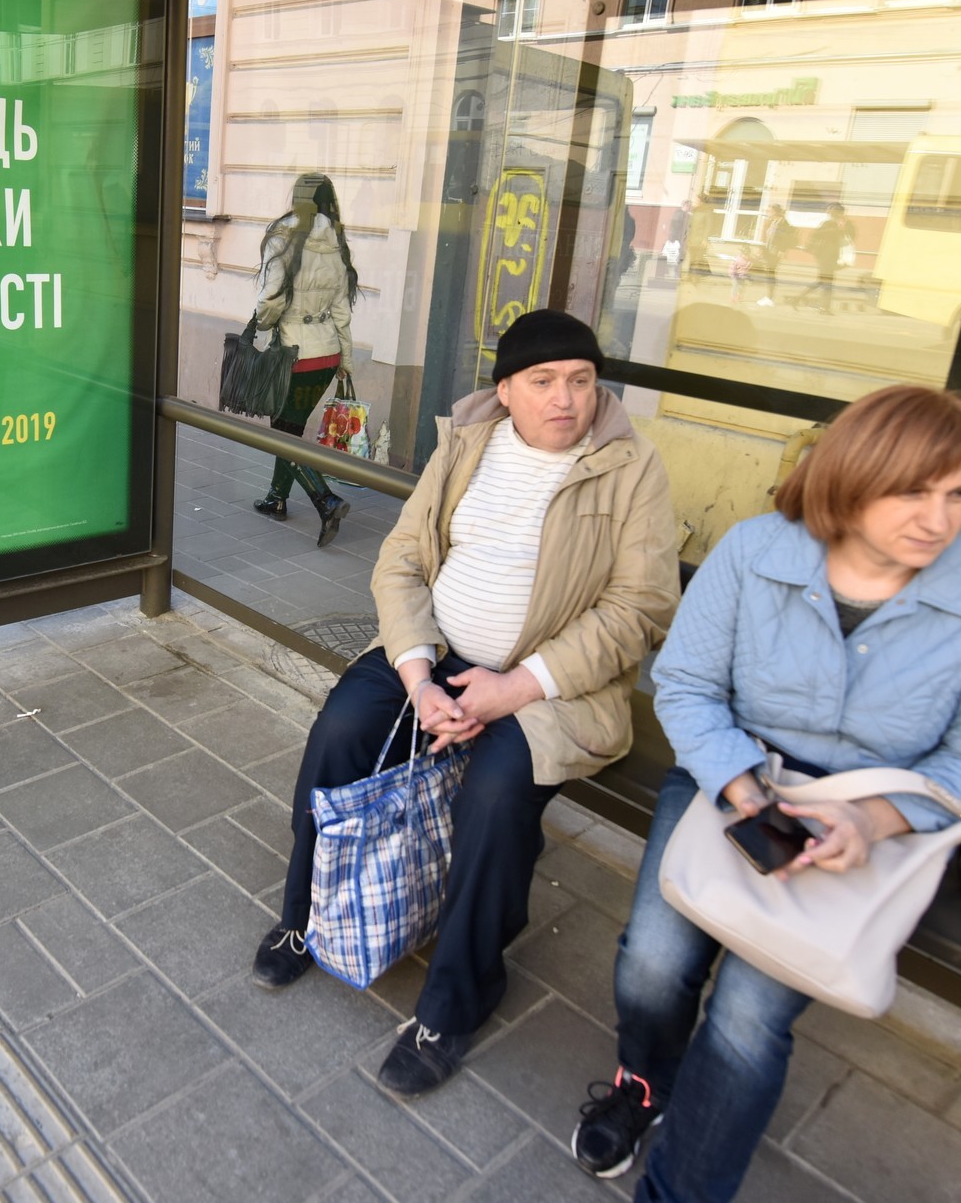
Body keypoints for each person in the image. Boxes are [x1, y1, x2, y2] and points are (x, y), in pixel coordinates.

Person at [570, 385, 961, 1199]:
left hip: (866, 821)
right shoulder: (758, 550)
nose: (937, 518)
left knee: (748, 1017)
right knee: (652, 964)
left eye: (959, 494)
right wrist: (743, 787)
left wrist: (875, 818)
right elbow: (685, 684)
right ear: (852, 476)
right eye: (912, 490)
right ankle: (645, 1086)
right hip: (729, 770)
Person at [252, 309, 680, 1097]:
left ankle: (455, 1001)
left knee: (494, 796)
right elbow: (402, 559)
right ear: (507, 390)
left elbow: (641, 608)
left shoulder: (631, 466)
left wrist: (512, 688)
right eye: (544, 381)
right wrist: (420, 679)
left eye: (581, 380)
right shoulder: (467, 442)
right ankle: (308, 915)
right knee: (342, 730)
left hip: (547, 684)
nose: (566, 398)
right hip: (435, 653)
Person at [250, 172, 357, 548]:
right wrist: (345, 358)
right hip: (325, 355)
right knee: (290, 429)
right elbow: (342, 309)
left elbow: (270, 300)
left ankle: (326, 500)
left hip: (293, 355)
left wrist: (262, 323)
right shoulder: (336, 241)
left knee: (284, 434)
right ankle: (276, 499)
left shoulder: (283, 237)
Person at [793, 203, 856, 313]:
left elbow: (852, 236)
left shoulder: (846, 223)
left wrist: (845, 228)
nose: (841, 214)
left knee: (823, 281)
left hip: (834, 256)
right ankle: (824, 307)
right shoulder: (828, 223)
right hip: (824, 255)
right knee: (827, 282)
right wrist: (838, 230)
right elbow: (817, 234)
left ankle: (797, 299)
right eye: (839, 212)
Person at [755, 203, 795, 307]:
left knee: (771, 274)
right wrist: (762, 249)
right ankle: (769, 297)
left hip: (775, 253)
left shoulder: (783, 223)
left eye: (769, 211)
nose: (767, 213)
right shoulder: (773, 222)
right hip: (769, 251)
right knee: (770, 274)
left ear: (775, 212)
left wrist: (782, 250)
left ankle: (770, 298)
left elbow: (785, 239)